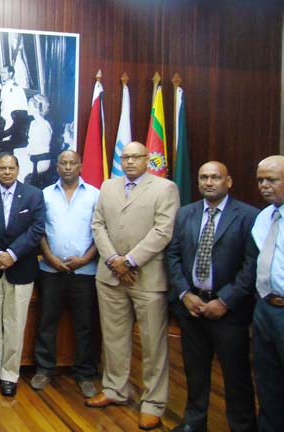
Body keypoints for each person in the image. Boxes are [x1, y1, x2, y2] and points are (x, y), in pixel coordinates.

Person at [87, 141, 179, 431]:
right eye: (125, 157)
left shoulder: (165, 188)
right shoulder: (108, 186)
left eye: (135, 157)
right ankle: (115, 389)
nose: (129, 162)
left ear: (147, 159)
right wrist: (115, 259)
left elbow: (163, 231)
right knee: (114, 338)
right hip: (110, 275)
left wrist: (131, 261)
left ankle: (153, 403)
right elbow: (97, 224)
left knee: (153, 345)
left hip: (147, 278)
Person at [165, 161, 258, 432]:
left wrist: (225, 300)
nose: (208, 182)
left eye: (215, 177)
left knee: (236, 374)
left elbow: (251, 266)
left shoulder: (248, 216)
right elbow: (172, 256)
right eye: (203, 177)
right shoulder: (185, 214)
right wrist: (184, 294)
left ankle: (242, 426)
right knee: (195, 371)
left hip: (229, 311)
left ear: (228, 182)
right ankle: (194, 422)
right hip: (192, 306)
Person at [0, 153, 44, 397]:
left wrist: (12, 254)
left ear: (18, 169)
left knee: (15, 323)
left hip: (21, 268)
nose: (6, 172)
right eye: (2, 168)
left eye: (11, 168)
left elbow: (37, 229)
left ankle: (9, 374)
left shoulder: (34, 194)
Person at [31, 150, 100, 398]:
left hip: (86, 271)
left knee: (85, 325)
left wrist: (85, 259)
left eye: (73, 163)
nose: (68, 167)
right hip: (51, 269)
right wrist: (49, 257)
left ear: (80, 166)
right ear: (57, 167)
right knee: (47, 322)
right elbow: (39, 230)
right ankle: (44, 369)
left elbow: (101, 232)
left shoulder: (95, 195)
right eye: (64, 163)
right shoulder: (45, 195)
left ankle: (84, 373)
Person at [251, 155, 284, 431]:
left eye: (272, 180)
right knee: (269, 387)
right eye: (260, 180)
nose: (264, 186)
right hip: (266, 310)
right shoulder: (263, 217)